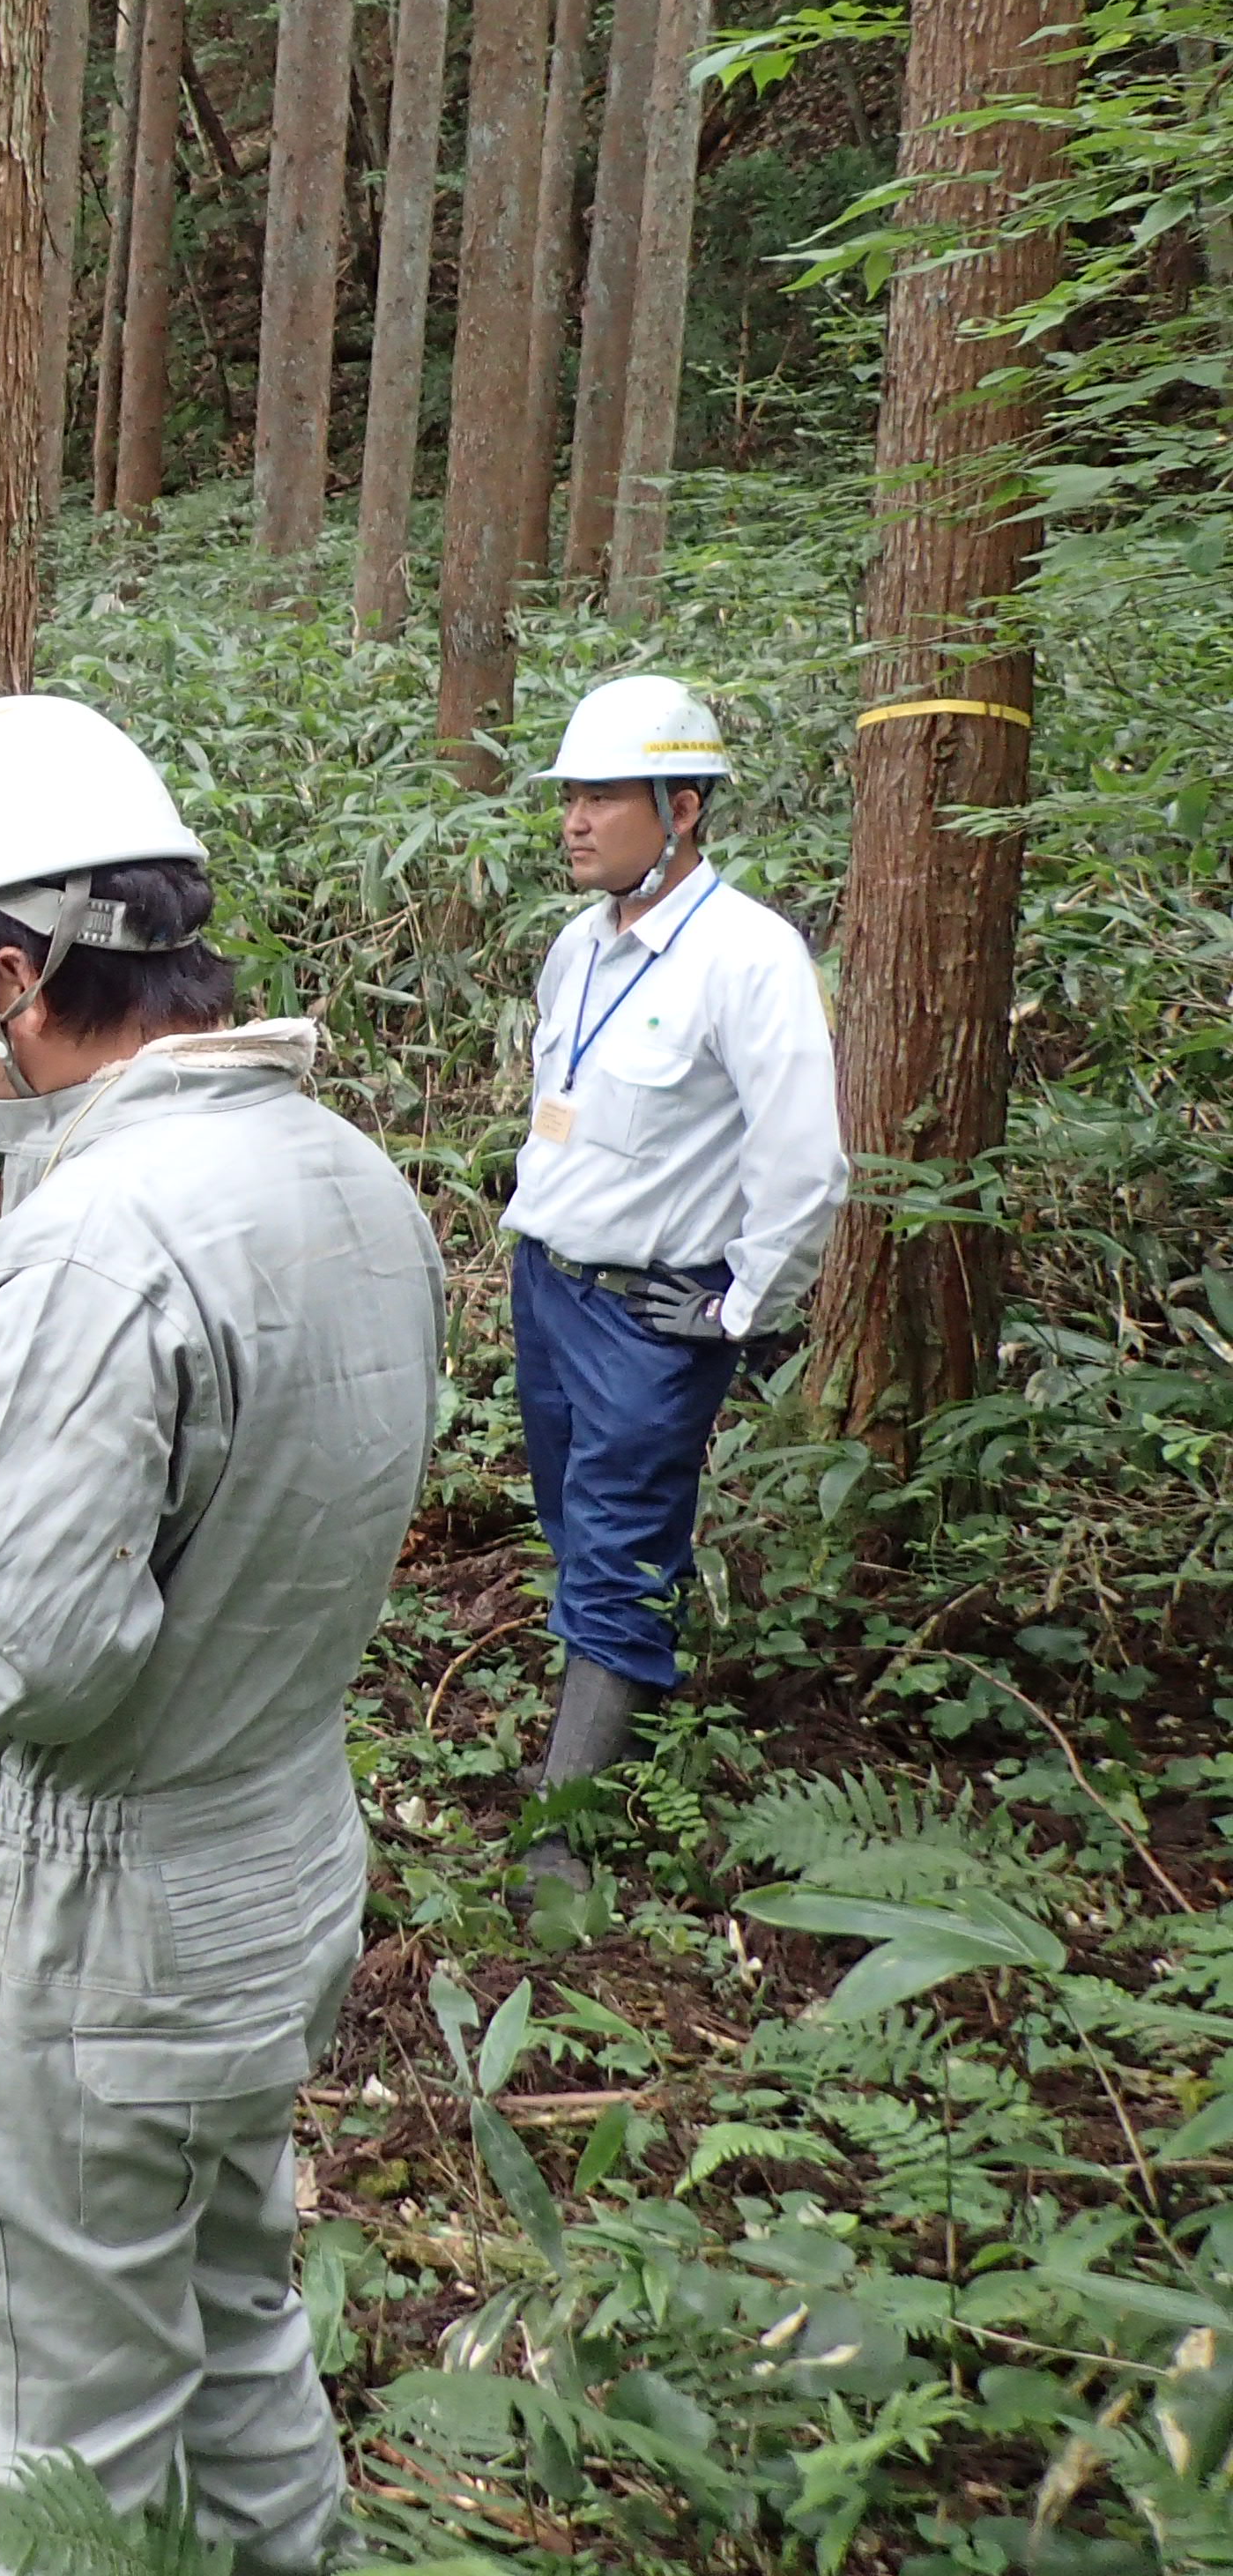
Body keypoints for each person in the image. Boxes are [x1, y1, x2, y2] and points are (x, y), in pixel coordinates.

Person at [0, 694, 446, 2576]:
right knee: (228, 2350)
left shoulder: (103, 1238)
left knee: (35, 2452)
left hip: (80, 1941)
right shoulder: (343, 1178)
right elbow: (226, 1494)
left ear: (18, 971)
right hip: (262, 1883)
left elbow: (33, 1651)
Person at [503, 675, 844, 1886]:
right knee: (574, 1528)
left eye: (603, 797)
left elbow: (805, 1159)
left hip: (654, 1314)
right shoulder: (576, 950)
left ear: (682, 807)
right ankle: (604, 1731)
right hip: (548, 1289)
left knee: (620, 1550)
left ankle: (564, 1844)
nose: (576, 820)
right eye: (571, 797)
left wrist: (745, 1306)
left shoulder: (748, 956)